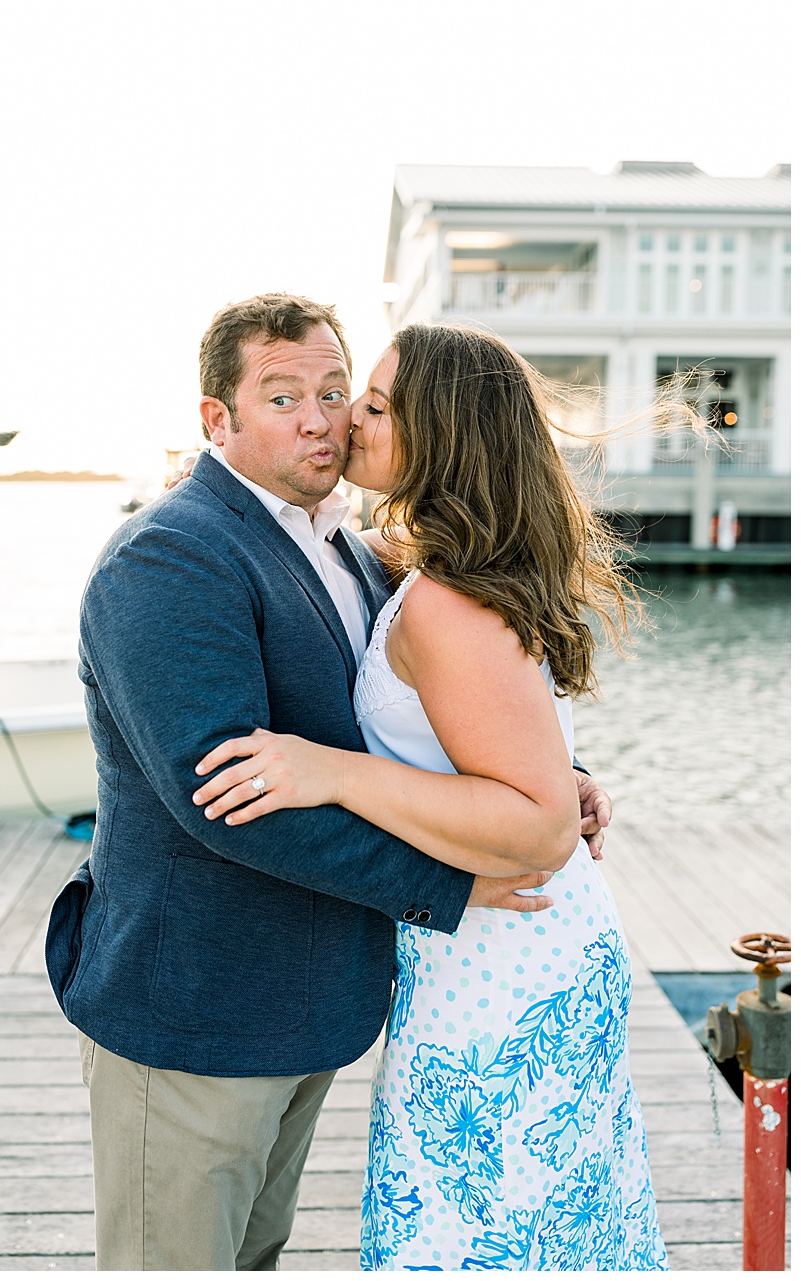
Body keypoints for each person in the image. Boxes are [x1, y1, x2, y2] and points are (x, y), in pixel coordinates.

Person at [44, 293, 613, 1271]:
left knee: (255, 1254)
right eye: (281, 396)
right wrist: (454, 882)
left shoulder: (352, 550)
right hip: (197, 1010)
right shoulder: (171, 557)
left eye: (335, 391)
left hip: (308, 1003)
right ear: (215, 419)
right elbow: (230, 803)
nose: (321, 418)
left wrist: (553, 775)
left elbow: (438, 715)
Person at [189, 321, 665, 1269]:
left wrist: (333, 771)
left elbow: (535, 830)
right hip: (502, 953)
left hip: (505, 970)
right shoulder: (425, 564)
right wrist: (219, 495)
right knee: (535, 1234)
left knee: (484, 1238)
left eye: (373, 402)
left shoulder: (447, 598)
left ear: (438, 431)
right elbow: (497, 745)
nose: (346, 420)